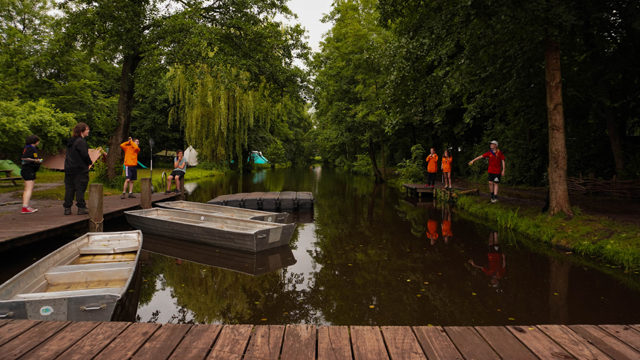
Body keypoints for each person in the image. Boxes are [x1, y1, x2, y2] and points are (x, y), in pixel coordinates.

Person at [63, 123, 92, 215]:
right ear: (81, 131)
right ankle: (81, 207)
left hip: (69, 168)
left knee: (69, 188)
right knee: (80, 188)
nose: (88, 131)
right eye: (87, 129)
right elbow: (84, 154)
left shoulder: (71, 141)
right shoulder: (81, 141)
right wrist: (89, 162)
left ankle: (67, 208)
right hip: (80, 168)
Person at [20, 135, 43, 214]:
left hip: (28, 170)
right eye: (38, 141)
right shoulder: (30, 148)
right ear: (35, 141)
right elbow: (24, 158)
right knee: (29, 189)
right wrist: (35, 160)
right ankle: (25, 207)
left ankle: (26, 205)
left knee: (27, 189)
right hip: (28, 170)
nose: (39, 142)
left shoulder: (28, 147)